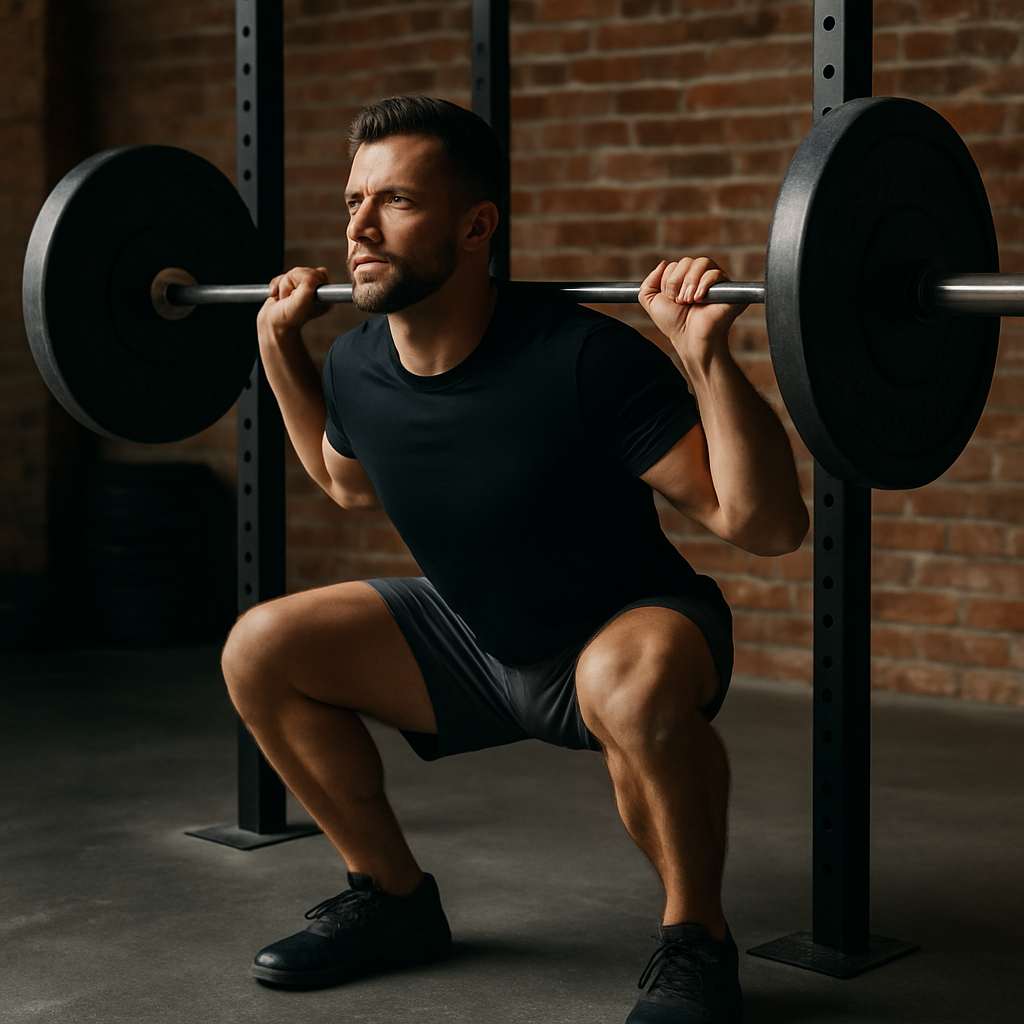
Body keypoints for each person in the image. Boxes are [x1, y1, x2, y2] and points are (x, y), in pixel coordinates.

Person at [221, 95, 808, 1024]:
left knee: (629, 684)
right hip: (473, 635)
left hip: (624, 630)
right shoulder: (358, 364)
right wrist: (277, 350)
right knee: (261, 646)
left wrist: (704, 360)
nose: (359, 228)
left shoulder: (581, 358)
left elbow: (765, 523)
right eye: (352, 202)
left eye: (396, 202)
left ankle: (697, 942)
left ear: (475, 225)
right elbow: (347, 485)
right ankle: (393, 900)